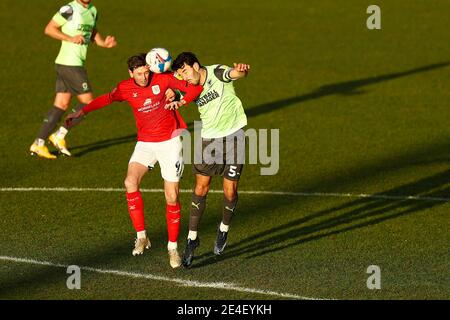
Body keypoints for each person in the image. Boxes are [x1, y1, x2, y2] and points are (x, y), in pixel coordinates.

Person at [65, 53, 203, 268]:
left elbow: (195, 86)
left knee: (172, 196)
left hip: (170, 143)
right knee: (130, 182)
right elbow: (106, 99)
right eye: (139, 74)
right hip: (146, 144)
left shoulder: (163, 78)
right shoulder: (125, 88)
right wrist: (82, 111)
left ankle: (173, 248)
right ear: (131, 73)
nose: (144, 77)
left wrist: (179, 97)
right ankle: (142, 236)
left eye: (146, 72)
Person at [170, 52, 250, 267]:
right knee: (200, 188)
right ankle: (192, 239)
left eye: (185, 71)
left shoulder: (216, 71)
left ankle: (223, 230)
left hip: (234, 137)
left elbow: (232, 74)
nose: (184, 77)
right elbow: (176, 91)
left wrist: (240, 71)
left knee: (230, 191)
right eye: (180, 74)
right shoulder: (188, 85)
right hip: (209, 140)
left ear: (196, 65)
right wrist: (172, 94)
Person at [30, 0, 117, 159]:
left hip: (71, 64)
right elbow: (49, 29)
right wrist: (70, 38)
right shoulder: (69, 9)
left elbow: (91, 29)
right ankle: (59, 135)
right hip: (70, 64)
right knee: (88, 102)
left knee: (61, 104)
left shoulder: (93, 10)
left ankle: (38, 143)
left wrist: (102, 42)